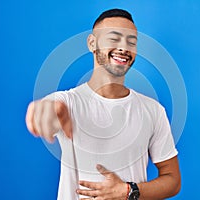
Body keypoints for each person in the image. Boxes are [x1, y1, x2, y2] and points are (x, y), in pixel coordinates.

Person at [26, 8, 181, 200]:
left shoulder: (153, 110)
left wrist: (127, 191)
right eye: (114, 39)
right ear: (92, 43)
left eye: (131, 42)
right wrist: (45, 111)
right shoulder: (67, 102)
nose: (124, 48)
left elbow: (172, 180)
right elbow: (51, 109)